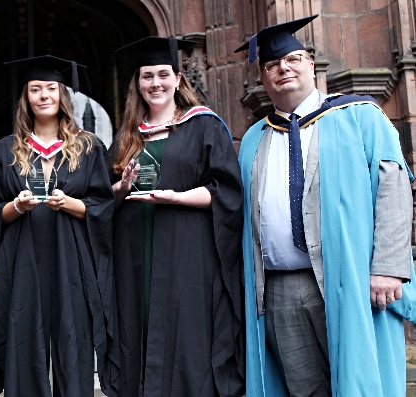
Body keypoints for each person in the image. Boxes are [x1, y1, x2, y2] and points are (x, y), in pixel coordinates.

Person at [235, 15, 416, 397]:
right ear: (263, 79)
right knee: (303, 388)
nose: (283, 69)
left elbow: (393, 189)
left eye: (293, 59)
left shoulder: (362, 116)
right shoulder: (254, 137)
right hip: (280, 286)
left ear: (311, 65)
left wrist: (389, 267)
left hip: (349, 277)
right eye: (271, 65)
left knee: (358, 381)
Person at [108, 37, 245, 397]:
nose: (156, 83)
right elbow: (101, 200)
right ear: (137, 83)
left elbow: (226, 190)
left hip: (188, 250)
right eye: (147, 76)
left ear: (179, 79)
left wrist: (179, 197)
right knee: (138, 329)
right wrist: (121, 187)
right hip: (136, 253)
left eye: (163, 75)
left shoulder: (204, 126)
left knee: (186, 333)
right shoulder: (126, 136)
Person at [0, 55, 115, 397]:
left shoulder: (88, 148)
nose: (44, 95)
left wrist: (68, 204)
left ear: (62, 96)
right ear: (25, 98)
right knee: (24, 337)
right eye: (35, 89)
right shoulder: (5, 151)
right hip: (22, 259)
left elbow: (103, 205)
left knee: (73, 338)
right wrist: (17, 205)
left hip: (70, 258)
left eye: (51, 88)